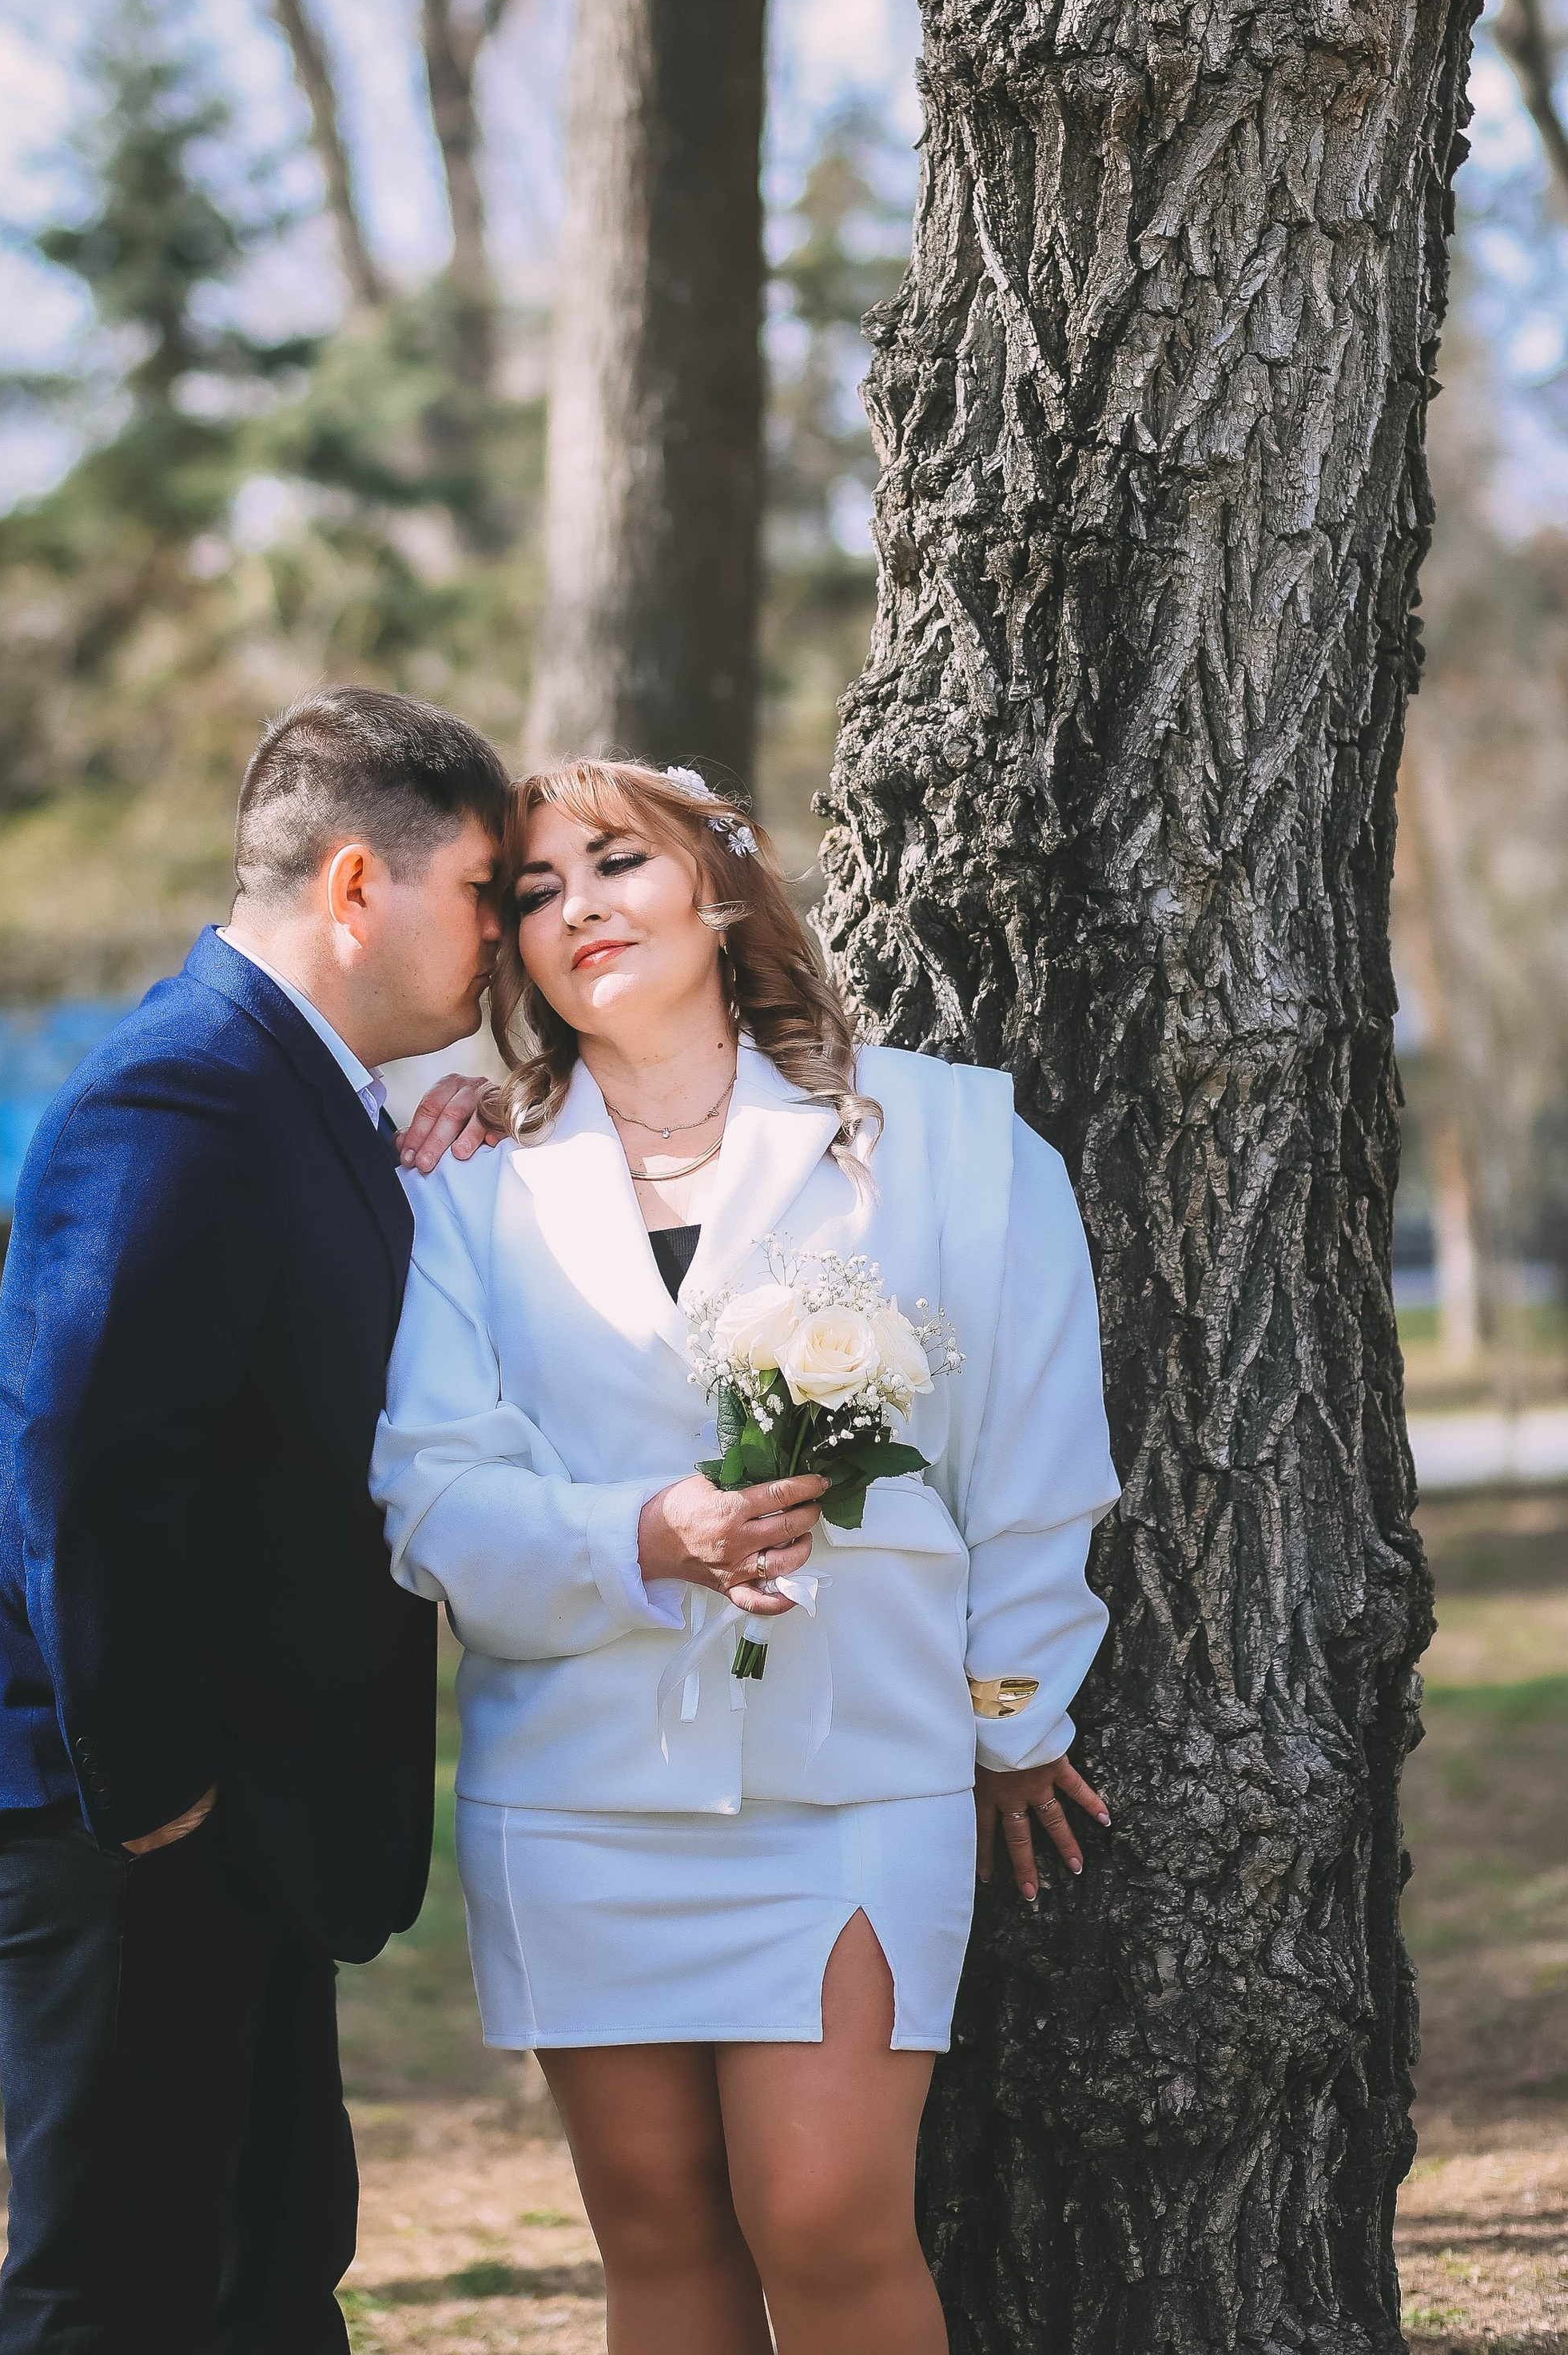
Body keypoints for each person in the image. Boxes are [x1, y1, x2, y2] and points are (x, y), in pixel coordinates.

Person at [372, 758, 1119, 2355]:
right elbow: (433, 1485)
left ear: (716, 880)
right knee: (654, 2237)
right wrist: (644, 1532)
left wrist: (1011, 1718)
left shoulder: (949, 1139)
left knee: (826, 2215)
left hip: (857, 1771)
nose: (574, 907)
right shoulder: (457, 1176)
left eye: (615, 862)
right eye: (527, 889)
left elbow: (1036, 1460)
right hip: (578, 1784)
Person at [0, 686, 510, 2354]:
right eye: (486, 895)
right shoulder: (184, 1094)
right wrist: (157, 1798)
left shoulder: (303, 1093)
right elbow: (91, 1467)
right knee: (125, 2286)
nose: (507, 939)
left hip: (226, 1802)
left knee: (266, 2258)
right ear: (359, 885)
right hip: (119, 1802)